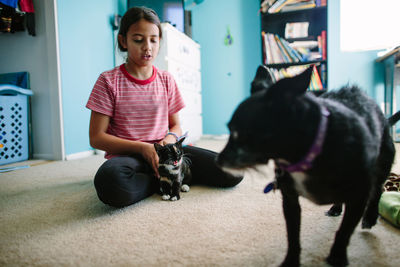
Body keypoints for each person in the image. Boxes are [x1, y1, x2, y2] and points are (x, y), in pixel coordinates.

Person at [86, 6, 243, 208]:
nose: (148, 47)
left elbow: (175, 126)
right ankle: (168, 180)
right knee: (111, 183)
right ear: (123, 41)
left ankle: (171, 176)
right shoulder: (108, 81)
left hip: (168, 154)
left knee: (234, 170)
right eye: (138, 39)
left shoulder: (166, 79)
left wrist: (168, 140)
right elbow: (96, 137)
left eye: (154, 39)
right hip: (129, 158)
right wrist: (143, 148)